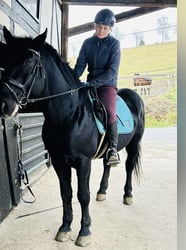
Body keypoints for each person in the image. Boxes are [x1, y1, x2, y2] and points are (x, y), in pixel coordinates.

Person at [74, 8, 121, 166]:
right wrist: (72, 80)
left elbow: (111, 72)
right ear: (95, 26)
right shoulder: (87, 43)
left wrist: (90, 84)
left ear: (110, 29)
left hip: (107, 84)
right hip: (89, 81)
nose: (101, 30)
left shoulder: (114, 44)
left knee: (109, 111)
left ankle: (113, 149)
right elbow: (80, 65)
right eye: (99, 26)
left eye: (105, 28)